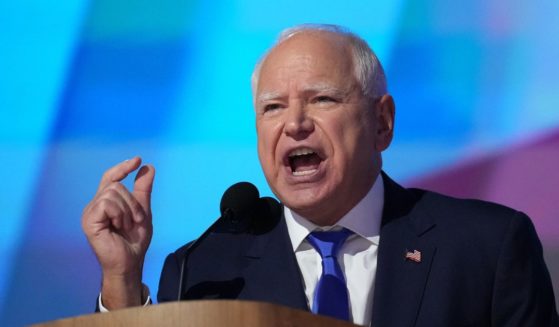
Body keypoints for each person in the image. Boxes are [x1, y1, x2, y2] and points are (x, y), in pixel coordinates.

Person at [82, 24, 558, 326]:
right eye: (272, 108)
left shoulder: (487, 246)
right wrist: (121, 280)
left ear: (382, 122)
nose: (294, 124)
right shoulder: (204, 269)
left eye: (322, 99)